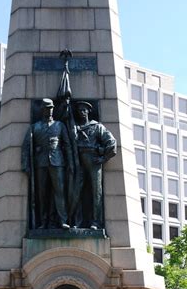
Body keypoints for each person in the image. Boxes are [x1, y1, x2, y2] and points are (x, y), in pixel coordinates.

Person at [22, 98, 73, 229]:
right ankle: (44, 222)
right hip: (41, 163)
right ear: (42, 110)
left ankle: (63, 220)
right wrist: (26, 165)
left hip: (57, 162)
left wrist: (71, 162)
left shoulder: (60, 125)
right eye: (47, 108)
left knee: (59, 192)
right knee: (42, 195)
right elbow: (26, 147)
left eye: (51, 108)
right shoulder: (35, 127)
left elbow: (67, 145)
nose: (49, 110)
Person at [73, 101, 117, 229]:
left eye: (83, 110)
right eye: (79, 110)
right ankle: (77, 221)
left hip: (93, 160)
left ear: (88, 111)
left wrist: (103, 158)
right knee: (76, 192)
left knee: (95, 192)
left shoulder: (97, 127)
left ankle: (95, 222)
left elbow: (112, 143)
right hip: (78, 161)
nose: (81, 112)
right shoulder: (74, 127)